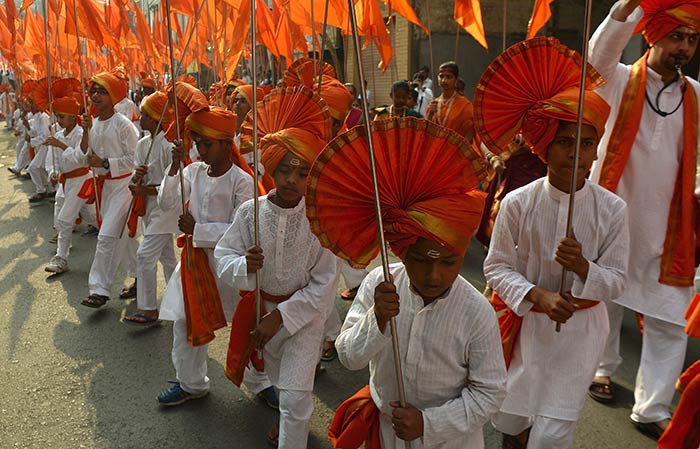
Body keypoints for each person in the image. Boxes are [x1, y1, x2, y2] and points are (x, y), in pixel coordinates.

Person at [479, 37, 630, 449]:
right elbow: (495, 267)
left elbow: (617, 282)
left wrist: (583, 268)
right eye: (566, 142)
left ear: (597, 150)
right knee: (510, 419)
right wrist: (538, 297)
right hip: (526, 324)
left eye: (586, 143)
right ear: (545, 146)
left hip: (581, 332)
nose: (577, 153)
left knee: (553, 431)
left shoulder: (612, 209)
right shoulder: (518, 202)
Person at [327, 117, 506, 449]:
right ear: (402, 253)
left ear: (463, 258)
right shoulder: (379, 285)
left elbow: (490, 392)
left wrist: (429, 423)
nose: (434, 275)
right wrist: (376, 319)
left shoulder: (477, 312)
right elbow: (348, 358)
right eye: (422, 261)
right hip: (385, 430)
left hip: (451, 440)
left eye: (448, 262)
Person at [586, 0, 700, 439]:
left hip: (669, 228)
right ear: (653, 35)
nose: (684, 48)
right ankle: (601, 369)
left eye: (691, 39)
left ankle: (651, 407)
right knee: (604, 300)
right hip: (613, 215)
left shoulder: (696, 97)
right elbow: (599, 54)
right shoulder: (616, 80)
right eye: (676, 36)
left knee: (671, 318)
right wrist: (627, 6)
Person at [215, 86, 337, 449]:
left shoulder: (319, 219)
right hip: (258, 309)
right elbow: (223, 256)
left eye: (302, 174)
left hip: (303, 318)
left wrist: (280, 317)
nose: (291, 181)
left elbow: (325, 281)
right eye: (285, 170)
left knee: (297, 394)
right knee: (283, 384)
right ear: (272, 167)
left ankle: (290, 438)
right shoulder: (250, 211)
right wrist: (244, 265)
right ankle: (288, 426)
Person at [155, 106, 254, 405]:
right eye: (198, 143)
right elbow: (165, 201)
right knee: (185, 322)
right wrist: (174, 165)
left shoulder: (242, 181)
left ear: (226, 142)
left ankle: (261, 383)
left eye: (207, 143)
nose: (201, 149)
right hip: (195, 264)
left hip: (230, 265)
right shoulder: (193, 172)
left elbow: (244, 230)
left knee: (247, 324)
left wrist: (199, 230)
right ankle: (191, 383)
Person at [79, 72, 140, 308]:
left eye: (102, 91)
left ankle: (99, 289)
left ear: (113, 96)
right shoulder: (92, 124)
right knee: (127, 237)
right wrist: (85, 131)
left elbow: (134, 159)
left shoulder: (124, 125)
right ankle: (139, 278)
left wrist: (105, 163)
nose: (95, 96)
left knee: (105, 237)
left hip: (125, 186)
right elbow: (84, 154)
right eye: (93, 91)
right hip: (105, 188)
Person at [122, 92, 179, 325]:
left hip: (165, 210)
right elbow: (135, 179)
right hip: (148, 208)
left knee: (145, 256)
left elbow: (172, 186)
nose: (140, 119)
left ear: (156, 118)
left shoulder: (168, 146)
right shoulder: (143, 144)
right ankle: (180, 301)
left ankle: (149, 309)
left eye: (145, 115)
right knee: (167, 259)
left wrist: (145, 190)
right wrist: (137, 177)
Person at [44, 95, 96, 274]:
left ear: (73, 117)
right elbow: (52, 161)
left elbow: (81, 158)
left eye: (61, 116)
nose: (58, 120)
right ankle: (110, 231)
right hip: (65, 182)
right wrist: (53, 173)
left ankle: (61, 258)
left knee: (66, 219)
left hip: (81, 180)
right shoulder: (57, 135)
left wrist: (61, 145)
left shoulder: (82, 134)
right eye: (57, 116)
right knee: (87, 215)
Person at [426, 62, 474, 141]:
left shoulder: (465, 105)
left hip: (456, 150)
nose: (444, 80)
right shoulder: (432, 105)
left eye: (449, 77)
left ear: (456, 79)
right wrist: (430, 114)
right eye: (441, 76)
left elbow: (469, 135)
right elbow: (426, 133)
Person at [25, 96, 53, 203]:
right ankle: (50, 189)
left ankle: (41, 191)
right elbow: (34, 132)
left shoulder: (43, 117)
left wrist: (32, 141)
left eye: (32, 103)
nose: (30, 106)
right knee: (42, 168)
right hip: (39, 146)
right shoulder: (36, 116)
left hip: (45, 146)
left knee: (33, 167)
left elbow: (44, 136)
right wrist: (28, 127)